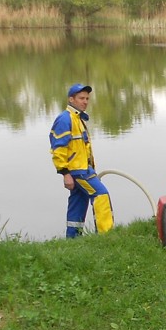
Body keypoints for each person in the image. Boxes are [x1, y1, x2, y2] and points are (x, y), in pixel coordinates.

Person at [49, 83, 114, 238]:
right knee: (101, 195)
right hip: (79, 172)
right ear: (71, 99)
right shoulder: (65, 119)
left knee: (78, 202)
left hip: (84, 169)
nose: (85, 102)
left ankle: (73, 239)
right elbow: (58, 149)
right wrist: (65, 173)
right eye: (81, 98)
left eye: (87, 98)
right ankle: (107, 236)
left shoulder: (78, 118)